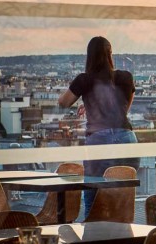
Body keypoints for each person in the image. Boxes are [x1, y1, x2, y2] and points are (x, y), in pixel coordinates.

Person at [58, 36, 137, 218]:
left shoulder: (85, 80)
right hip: (127, 137)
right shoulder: (126, 77)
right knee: (122, 198)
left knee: (92, 195)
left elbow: (63, 103)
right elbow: (123, 109)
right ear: (110, 54)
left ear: (89, 56)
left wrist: (86, 97)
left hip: (99, 137)